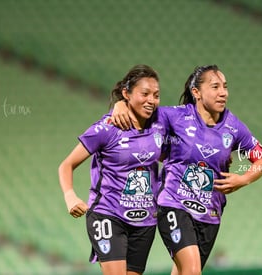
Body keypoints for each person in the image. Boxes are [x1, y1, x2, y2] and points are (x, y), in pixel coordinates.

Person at [111, 65, 262, 275]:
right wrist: (122, 104)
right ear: (197, 93)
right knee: (193, 271)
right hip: (173, 205)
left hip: (209, 215)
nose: (223, 92)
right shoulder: (174, 117)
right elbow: (142, 109)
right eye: (215, 87)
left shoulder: (235, 127)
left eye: (225, 86)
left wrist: (244, 179)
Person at [58, 64, 166, 275]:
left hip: (144, 221)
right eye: (144, 94)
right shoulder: (106, 128)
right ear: (126, 93)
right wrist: (70, 196)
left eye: (156, 95)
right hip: (108, 214)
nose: (151, 100)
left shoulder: (160, 126)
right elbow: (66, 165)